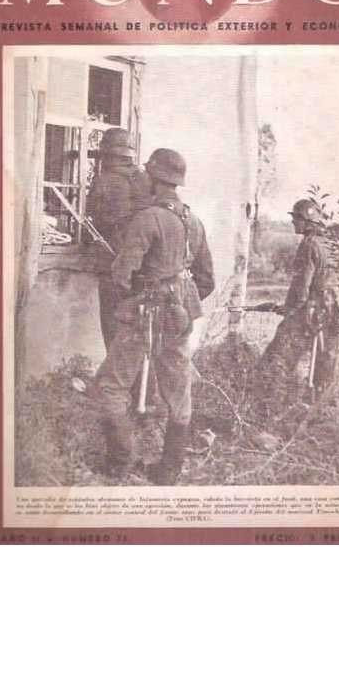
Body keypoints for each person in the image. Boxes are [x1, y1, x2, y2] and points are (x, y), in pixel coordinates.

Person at [92, 148, 215, 484]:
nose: (143, 178)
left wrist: (134, 301)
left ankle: (120, 462)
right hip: (178, 315)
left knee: (110, 385)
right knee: (179, 390)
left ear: (155, 178)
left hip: (146, 312)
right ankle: (169, 469)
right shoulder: (194, 221)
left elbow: (121, 274)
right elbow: (206, 280)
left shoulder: (148, 218)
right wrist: (179, 302)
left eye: (147, 173)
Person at [259, 198, 339, 398]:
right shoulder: (330, 243)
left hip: (313, 309)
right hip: (334, 310)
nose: (293, 222)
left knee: (277, 357)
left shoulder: (309, 245)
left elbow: (301, 287)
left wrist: (289, 309)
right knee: (325, 365)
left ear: (307, 221)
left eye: (296, 218)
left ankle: (270, 400)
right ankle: (319, 404)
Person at [86, 127, 152, 347]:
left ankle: (117, 369)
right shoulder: (147, 180)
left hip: (113, 266)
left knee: (114, 332)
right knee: (140, 333)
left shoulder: (104, 181)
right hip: (144, 266)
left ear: (107, 154)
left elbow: (95, 219)